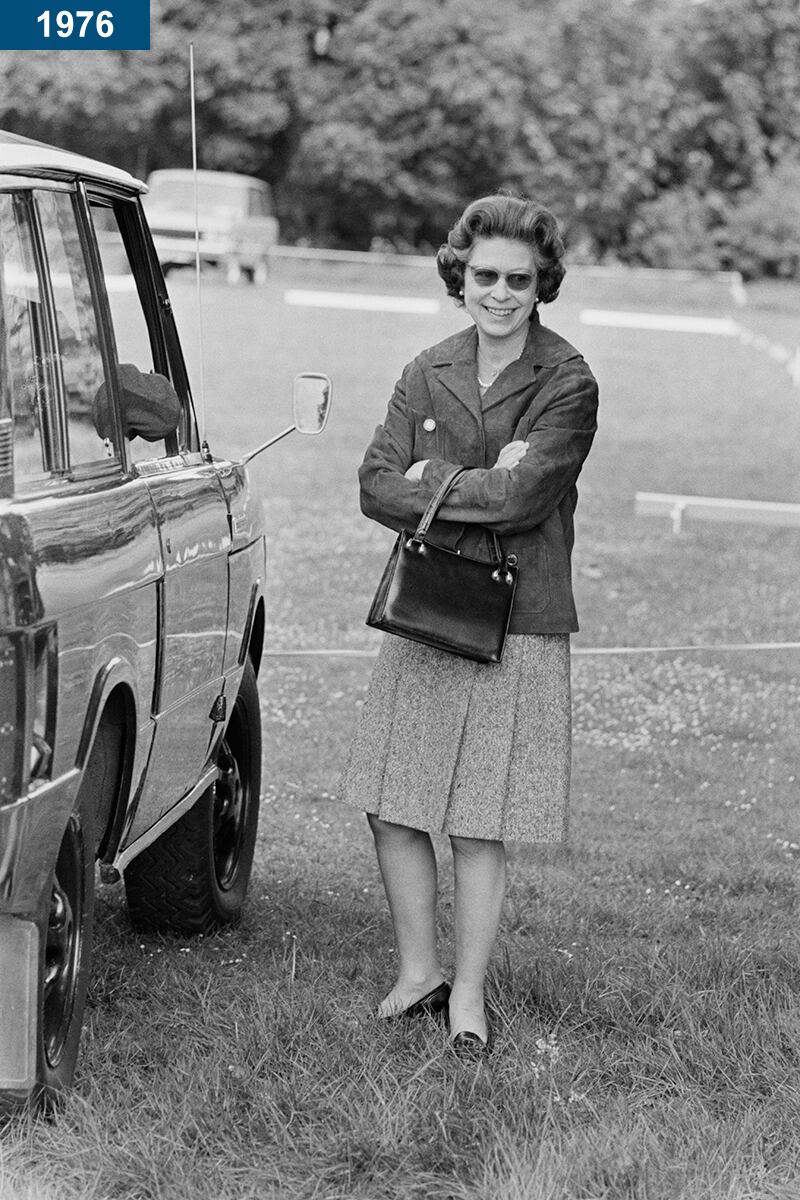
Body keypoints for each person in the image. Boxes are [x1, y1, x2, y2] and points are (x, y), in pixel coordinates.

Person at [340, 193, 598, 1055]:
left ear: (541, 285)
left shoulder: (568, 380)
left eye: (518, 280)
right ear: (461, 274)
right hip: (426, 610)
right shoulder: (426, 366)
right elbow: (376, 485)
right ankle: (419, 974)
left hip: (520, 617)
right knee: (393, 808)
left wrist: (434, 477)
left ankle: (470, 1000)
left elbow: (528, 500)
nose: (499, 293)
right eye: (484, 275)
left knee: (478, 820)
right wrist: (476, 478)